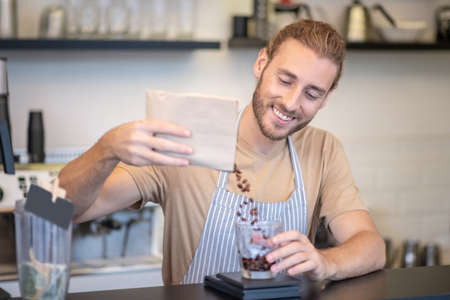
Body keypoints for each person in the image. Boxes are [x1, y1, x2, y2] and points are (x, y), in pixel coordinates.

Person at [59, 19, 385, 285]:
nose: (291, 103)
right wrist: (106, 149)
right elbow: (55, 211)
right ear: (261, 63)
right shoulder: (186, 139)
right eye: (285, 80)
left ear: (325, 99)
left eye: (312, 94)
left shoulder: (323, 149)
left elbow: (371, 246)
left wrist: (325, 262)